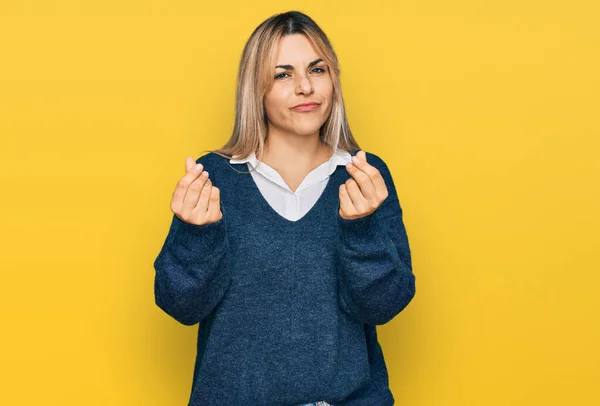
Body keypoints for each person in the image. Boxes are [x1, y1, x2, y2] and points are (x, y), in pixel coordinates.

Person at [153, 10, 416, 406]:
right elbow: (180, 305)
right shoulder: (215, 178)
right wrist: (196, 236)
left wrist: (361, 229)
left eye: (317, 69)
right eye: (283, 74)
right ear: (255, 89)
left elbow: (384, 305)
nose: (306, 87)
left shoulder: (364, 174)